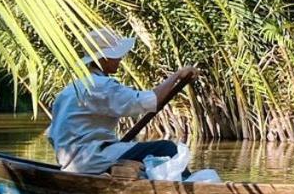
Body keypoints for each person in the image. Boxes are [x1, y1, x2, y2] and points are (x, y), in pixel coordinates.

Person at [46, 28, 197, 174]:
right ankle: (190, 190)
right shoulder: (101, 86)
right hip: (92, 160)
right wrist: (177, 75)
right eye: (115, 55)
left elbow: (51, 135)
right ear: (103, 59)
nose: (120, 59)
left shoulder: (69, 90)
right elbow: (151, 101)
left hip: (69, 164)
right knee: (167, 148)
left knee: (144, 160)